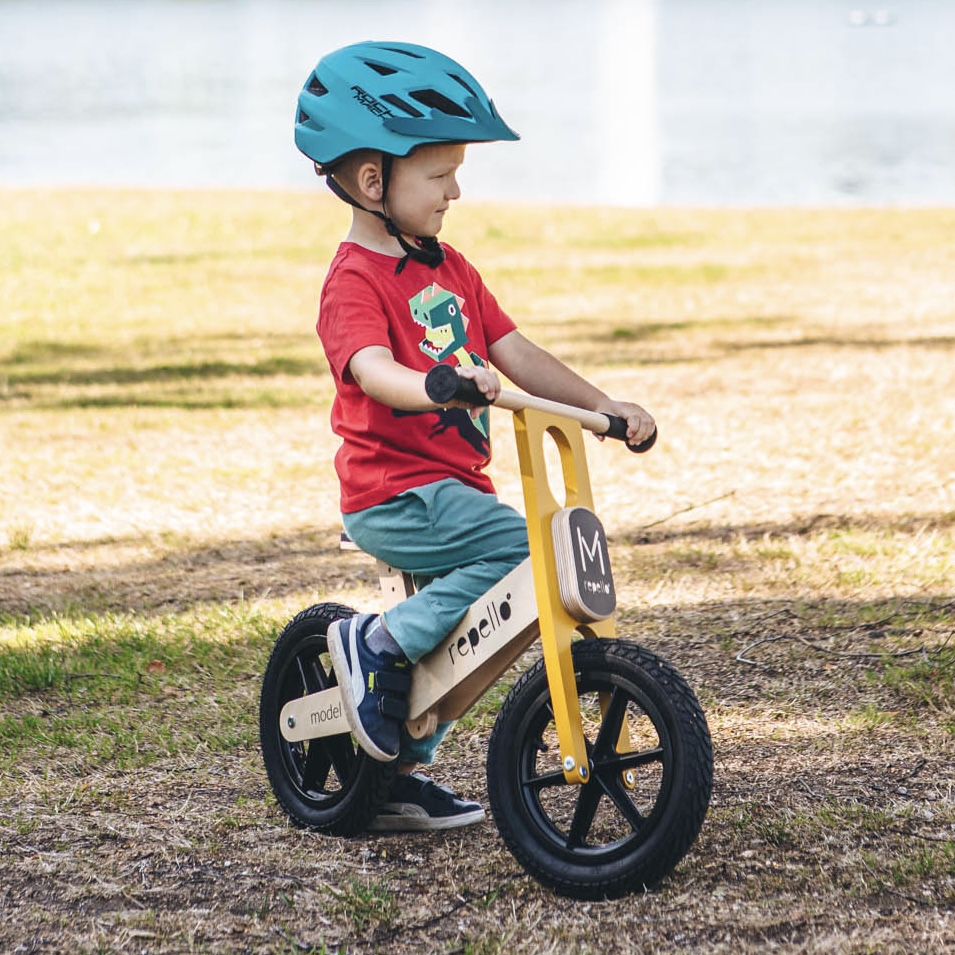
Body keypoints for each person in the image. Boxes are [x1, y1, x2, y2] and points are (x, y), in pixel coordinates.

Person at [294, 41, 656, 832]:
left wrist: (604, 404)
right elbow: (368, 368)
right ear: (371, 181)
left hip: (451, 493)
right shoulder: (353, 278)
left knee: (494, 617)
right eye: (438, 174)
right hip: (394, 492)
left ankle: (393, 769)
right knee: (532, 548)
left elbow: (515, 350)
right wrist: (433, 385)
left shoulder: (449, 266)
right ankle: (376, 641)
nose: (455, 189)